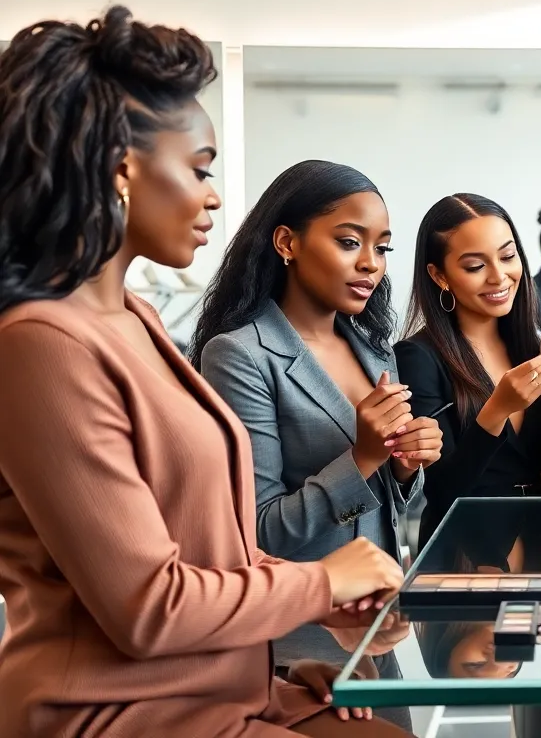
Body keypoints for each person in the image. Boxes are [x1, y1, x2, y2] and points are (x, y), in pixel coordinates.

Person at [0, 7, 408, 737]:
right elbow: (146, 607)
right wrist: (321, 581)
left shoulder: (137, 322)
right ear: (122, 169)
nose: (215, 195)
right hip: (111, 712)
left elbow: (208, 545)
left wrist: (298, 632)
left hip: (221, 688)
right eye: (199, 169)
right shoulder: (43, 344)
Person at [194, 160, 439, 728]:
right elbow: (257, 529)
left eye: (382, 248)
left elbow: (391, 506)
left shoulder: (374, 349)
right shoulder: (240, 355)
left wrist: (406, 467)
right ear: (287, 241)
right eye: (350, 242)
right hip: (297, 646)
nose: (370, 265)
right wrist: (365, 456)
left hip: (376, 629)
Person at [394, 193, 541, 549]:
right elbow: (442, 489)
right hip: (464, 553)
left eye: (508, 256)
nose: (499, 277)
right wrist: (497, 409)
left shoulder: (536, 346)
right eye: (474, 266)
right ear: (439, 276)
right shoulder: (417, 357)